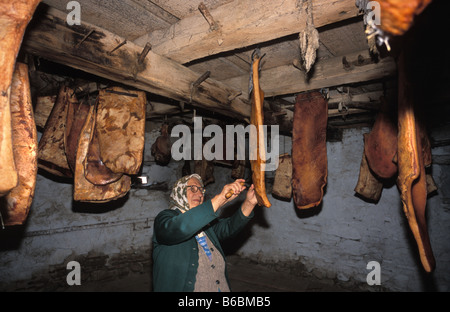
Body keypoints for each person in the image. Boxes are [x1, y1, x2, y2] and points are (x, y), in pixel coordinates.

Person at [152, 173, 258, 292]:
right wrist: (222, 198)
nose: (199, 194)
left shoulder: (205, 223)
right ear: (180, 191)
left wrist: (249, 203)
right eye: (192, 189)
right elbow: (180, 227)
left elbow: (228, 227)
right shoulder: (165, 218)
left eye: (201, 190)